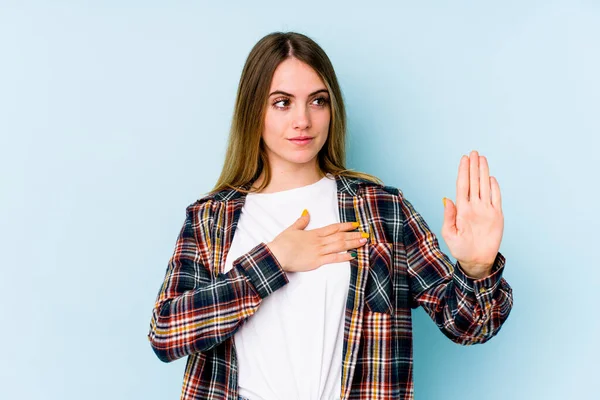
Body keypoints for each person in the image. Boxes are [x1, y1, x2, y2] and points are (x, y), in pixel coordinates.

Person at [147, 31, 513, 400]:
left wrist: (477, 269)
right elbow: (166, 334)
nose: (302, 120)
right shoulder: (211, 219)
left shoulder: (382, 210)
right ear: (253, 110)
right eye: (282, 103)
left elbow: (468, 327)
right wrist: (273, 261)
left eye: (317, 101)